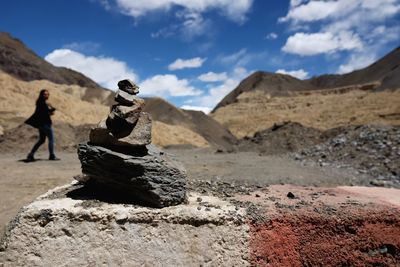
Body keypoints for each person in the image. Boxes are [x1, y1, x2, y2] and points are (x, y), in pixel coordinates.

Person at [25, 89, 60, 161]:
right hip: (45, 124)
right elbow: (44, 113)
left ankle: (31, 154)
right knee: (51, 139)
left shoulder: (41, 102)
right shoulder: (42, 103)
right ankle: (52, 155)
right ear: (42, 95)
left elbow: (43, 113)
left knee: (41, 140)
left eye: (47, 94)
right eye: (45, 94)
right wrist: (52, 109)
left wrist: (50, 111)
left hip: (42, 124)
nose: (47, 95)